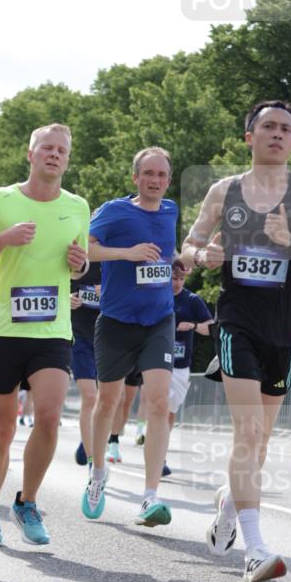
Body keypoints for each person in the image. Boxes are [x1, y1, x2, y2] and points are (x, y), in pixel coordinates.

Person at [180, 100, 291, 582]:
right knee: (249, 433)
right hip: (236, 323)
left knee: (260, 440)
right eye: (267, 126)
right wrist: (201, 254)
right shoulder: (223, 190)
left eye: (286, 128)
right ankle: (254, 551)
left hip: (283, 330)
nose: (277, 134)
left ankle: (229, 508)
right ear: (249, 137)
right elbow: (186, 250)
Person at [0, 122, 90, 546]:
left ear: (67, 159)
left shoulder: (77, 206)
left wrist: (80, 264)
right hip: (4, 328)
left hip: (53, 329)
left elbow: (81, 263)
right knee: (2, 430)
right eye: (47, 148)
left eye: (62, 151)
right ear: (30, 153)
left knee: (51, 417)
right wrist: (5, 238)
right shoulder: (1, 200)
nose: (55, 155)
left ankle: (27, 501)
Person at [82, 147, 177, 527]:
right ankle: (97, 471)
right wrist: (128, 252)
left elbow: (170, 252)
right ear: (136, 177)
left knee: (157, 402)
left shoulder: (171, 211)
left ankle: (150, 497)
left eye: (162, 175)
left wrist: (191, 255)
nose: (155, 181)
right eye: (148, 173)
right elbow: (84, 250)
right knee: (108, 401)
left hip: (159, 319)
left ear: (168, 180)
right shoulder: (114, 211)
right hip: (117, 320)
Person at [163, 260, 214, 467]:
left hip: (181, 364)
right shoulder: (158, 296)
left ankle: (160, 443)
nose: (177, 283)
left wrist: (192, 325)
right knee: (161, 407)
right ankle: (160, 457)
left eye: (181, 279)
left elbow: (211, 328)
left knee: (171, 411)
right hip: (158, 361)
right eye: (174, 278)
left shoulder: (192, 300)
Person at [70, 261, 101, 465]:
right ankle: (93, 462)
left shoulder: (113, 261)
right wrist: (65, 298)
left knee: (106, 401)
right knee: (90, 396)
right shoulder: (74, 256)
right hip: (78, 337)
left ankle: (87, 439)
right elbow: (50, 284)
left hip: (106, 338)